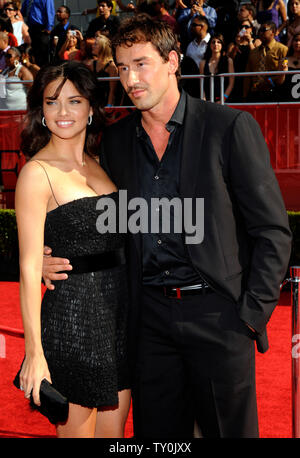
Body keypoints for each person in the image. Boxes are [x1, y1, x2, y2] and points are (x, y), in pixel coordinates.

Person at [42, 14, 292, 438]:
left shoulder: (227, 128)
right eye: (121, 67)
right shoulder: (118, 143)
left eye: (141, 63)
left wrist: (250, 314)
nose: (130, 78)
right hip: (149, 321)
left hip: (218, 315)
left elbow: (272, 230)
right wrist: (48, 259)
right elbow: (104, 222)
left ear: (173, 60)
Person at [14, 60, 131, 438]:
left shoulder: (103, 164)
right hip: (72, 320)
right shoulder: (36, 174)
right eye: (52, 102)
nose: (63, 112)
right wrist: (35, 353)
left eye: (74, 101)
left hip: (120, 319)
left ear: (91, 108)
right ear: (41, 112)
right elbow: (30, 267)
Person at [244, 20, 288, 101]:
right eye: (259, 30)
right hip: (254, 95)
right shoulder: (253, 52)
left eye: (264, 30)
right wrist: (245, 96)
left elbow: (285, 73)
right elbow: (247, 76)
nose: (260, 32)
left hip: (274, 94)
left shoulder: (283, 50)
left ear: (273, 32)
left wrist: (269, 81)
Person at [199, 33, 235, 102]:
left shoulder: (228, 61)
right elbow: (202, 84)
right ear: (210, 45)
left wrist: (223, 99)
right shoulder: (202, 63)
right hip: (208, 101)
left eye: (219, 42)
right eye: (213, 42)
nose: (216, 44)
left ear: (222, 45)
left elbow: (231, 84)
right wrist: (203, 100)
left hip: (224, 102)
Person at [21, 0, 55, 67]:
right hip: (29, 28)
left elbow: (50, 11)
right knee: (30, 52)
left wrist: (49, 27)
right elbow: (23, 11)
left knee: (42, 53)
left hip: (41, 29)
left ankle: (42, 71)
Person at [89, 35, 119, 106]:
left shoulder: (111, 66)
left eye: (95, 44)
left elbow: (112, 90)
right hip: (95, 103)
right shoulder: (92, 64)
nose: (92, 46)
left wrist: (109, 106)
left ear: (102, 47)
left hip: (106, 102)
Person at [277, 32, 300, 100]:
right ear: (292, 42)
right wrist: (283, 73)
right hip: (287, 98)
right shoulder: (284, 60)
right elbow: (279, 82)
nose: (298, 43)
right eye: (296, 40)